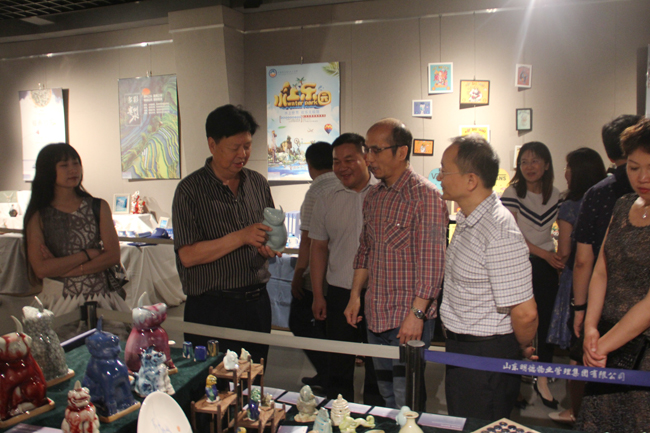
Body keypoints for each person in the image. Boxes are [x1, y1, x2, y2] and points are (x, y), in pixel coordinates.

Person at [344, 119, 447, 408]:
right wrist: (355, 296)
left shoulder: (426, 196)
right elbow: (365, 250)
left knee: (406, 399)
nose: (369, 158)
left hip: (407, 318)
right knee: (386, 394)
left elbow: (433, 265)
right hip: (376, 313)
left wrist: (417, 314)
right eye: (367, 150)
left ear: (401, 152)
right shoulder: (373, 196)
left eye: (376, 150)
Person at [438, 136, 538, 421]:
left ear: (471, 180)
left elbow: (526, 313)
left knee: (482, 424)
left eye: (444, 170)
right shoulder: (469, 220)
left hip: (486, 354)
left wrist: (522, 346)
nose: (440, 177)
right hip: (463, 349)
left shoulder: (499, 230)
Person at [172, 104, 278, 364]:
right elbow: (188, 255)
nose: (243, 154)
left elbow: (270, 233)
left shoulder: (257, 183)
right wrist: (241, 237)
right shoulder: (189, 191)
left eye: (247, 146)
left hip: (256, 304)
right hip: (212, 308)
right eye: (235, 147)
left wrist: (268, 246)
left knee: (253, 379)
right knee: (212, 382)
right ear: (212, 144)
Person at [577, 117, 650, 432]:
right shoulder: (623, 205)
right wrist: (591, 328)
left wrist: (602, 344)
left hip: (642, 348)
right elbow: (601, 270)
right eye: (634, 167)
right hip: (608, 340)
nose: (642, 177)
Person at [23, 143, 128, 330]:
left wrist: (64, 269)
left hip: (101, 299)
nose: (73, 170)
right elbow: (41, 268)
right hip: (58, 303)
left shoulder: (98, 206)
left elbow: (112, 256)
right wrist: (87, 254)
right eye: (64, 165)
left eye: (76, 163)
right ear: (48, 170)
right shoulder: (39, 215)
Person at [309, 133, 381, 403]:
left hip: (377, 294)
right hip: (339, 291)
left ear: (366, 158)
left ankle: (376, 418)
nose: (341, 167)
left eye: (349, 160)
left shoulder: (383, 193)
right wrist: (319, 294)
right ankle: (338, 417)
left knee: (378, 366)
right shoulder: (326, 198)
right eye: (336, 161)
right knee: (338, 365)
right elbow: (318, 248)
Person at [546, 148, 606, 424]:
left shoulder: (570, 206)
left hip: (577, 280)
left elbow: (566, 252)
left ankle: (575, 410)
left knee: (576, 343)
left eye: (568, 167)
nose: (566, 173)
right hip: (605, 279)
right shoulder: (610, 197)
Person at [501, 141, 561, 408]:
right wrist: (546, 254)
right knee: (514, 323)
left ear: (546, 164)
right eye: (524, 162)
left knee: (546, 321)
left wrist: (553, 256)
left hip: (546, 267)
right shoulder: (513, 192)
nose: (529, 166)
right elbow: (512, 235)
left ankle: (543, 378)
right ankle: (512, 382)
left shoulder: (555, 194)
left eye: (535, 161)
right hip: (519, 263)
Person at [289, 141, 339, 390]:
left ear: (309, 165)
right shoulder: (342, 186)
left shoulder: (316, 191)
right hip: (339, 273)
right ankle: (329, 375)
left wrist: (299, 273)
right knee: (329, 328)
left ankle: (328, 374)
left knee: (300, 321)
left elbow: (308, 240)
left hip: (317, 275)